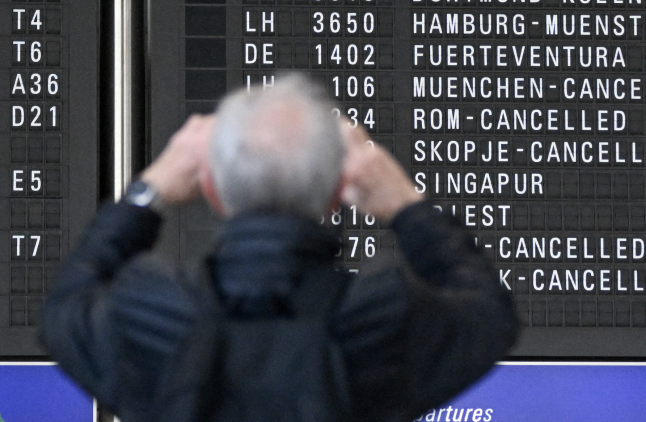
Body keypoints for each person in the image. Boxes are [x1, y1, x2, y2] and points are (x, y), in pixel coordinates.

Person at [40, 74, 518, 422]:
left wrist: (148, 193)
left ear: (209, 186)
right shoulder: (379, 320)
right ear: (338, 191)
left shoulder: (155, 316)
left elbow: (64, 307)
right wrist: (405, 205)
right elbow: (489, 315)